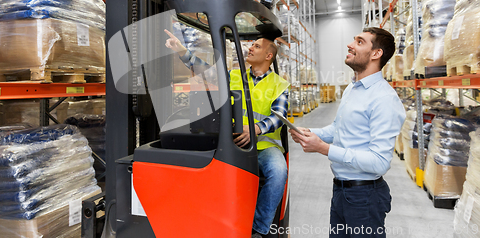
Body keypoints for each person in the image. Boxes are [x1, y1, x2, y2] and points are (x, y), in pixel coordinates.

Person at [165, 29, 289, 238]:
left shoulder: (279, 85)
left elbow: (279, 116)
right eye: (252, 45)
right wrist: (182, 51)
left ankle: (258, 228)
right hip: (231, 142)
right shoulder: (234, 75)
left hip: (265, 146)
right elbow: (207, 71)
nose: (250, 48)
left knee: (278, 173)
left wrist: (257, 129)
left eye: (257, 46)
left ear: (269, 56)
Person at [290, 27, 406, 238]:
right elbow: (338, 129)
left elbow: (380, 162)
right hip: (342, 192)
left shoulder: (384, 99)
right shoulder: (353, 88)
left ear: (376, 54)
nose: (350, 45)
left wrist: (324, 149)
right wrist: (308, 132)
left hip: (365, 198)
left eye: (359, 42)